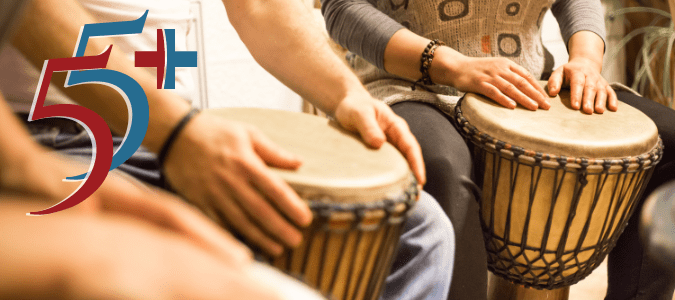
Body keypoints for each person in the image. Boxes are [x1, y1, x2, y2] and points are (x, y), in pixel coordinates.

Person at [2, 0, 456, 298]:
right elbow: (28, 10)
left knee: (418, 233)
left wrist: (346, 94)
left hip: (183, 133)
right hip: (62, 136)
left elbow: (259, 6)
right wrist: (177, 132)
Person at [320, 0, 675, 299]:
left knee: (669, 140)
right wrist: (452, 65)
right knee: (441, 167)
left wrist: (585, 60)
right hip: (410, 81)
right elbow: (343, 8)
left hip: (527, 81)